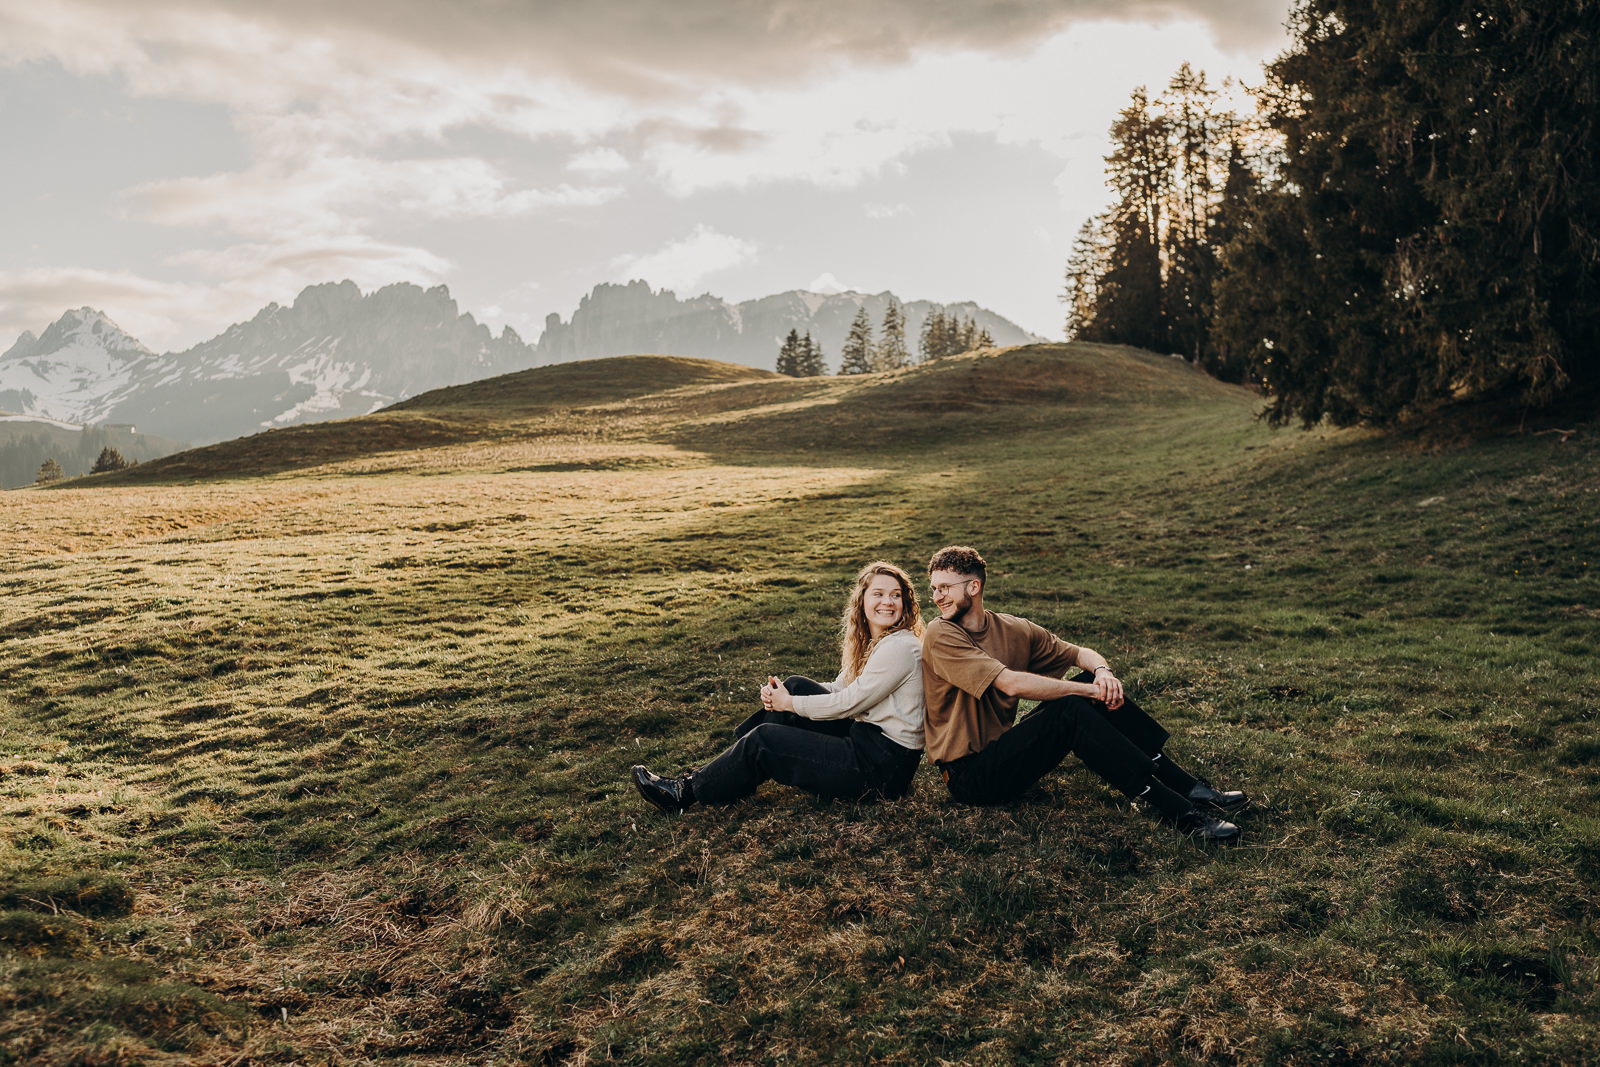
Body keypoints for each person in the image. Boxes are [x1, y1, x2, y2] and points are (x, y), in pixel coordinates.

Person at [920, 545, 1247, 842]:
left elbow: (1080, 654)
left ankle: (1191, 788)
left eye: (945, 588)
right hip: (970, 777)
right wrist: (1088, 691)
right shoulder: (941, 633)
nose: (936, 597)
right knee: (1072, 707)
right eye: (934, 588)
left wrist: (1102, 674)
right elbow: (1011, 684)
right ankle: (1180, 812)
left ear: (973, 587)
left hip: (1001, 752)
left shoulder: (1012, 628)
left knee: (1089, 682)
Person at [632, 560, 926, 814]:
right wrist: (784, 695)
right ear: (862, 601)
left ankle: (683, 794)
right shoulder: (879, 643)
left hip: (881, 770)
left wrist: (789, 704)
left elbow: (849, 703)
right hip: (866, 740)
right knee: (795, 685)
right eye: (878, 594)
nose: (887, 602)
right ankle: (735, 773)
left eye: (895, 595)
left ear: (905, 602)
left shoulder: (900, 648)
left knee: (766, 740)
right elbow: (841, 688)